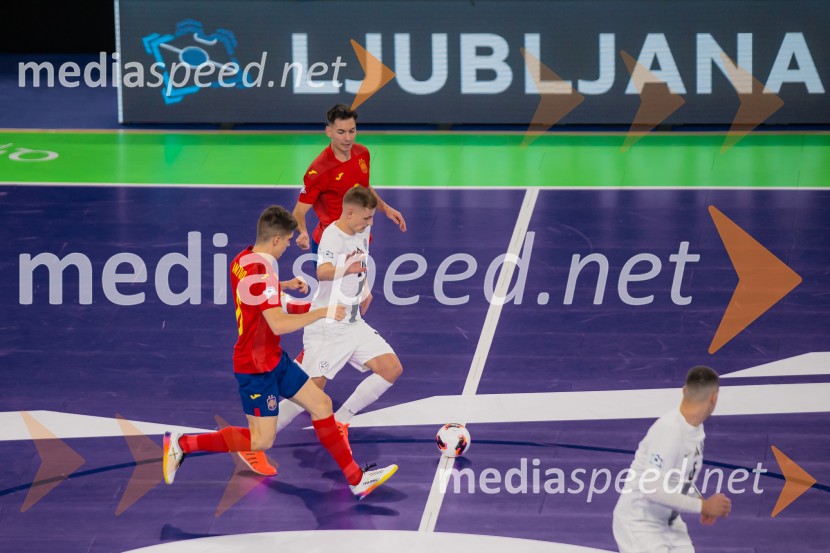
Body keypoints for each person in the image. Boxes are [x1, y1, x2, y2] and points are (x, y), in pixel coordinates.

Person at [162, 205, 397, 500]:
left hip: (274, 358)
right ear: (275, 240)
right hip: (255, 366)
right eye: (287, 241)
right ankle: (182, 444)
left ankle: (356, 479)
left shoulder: (244, 258)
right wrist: (322, 312)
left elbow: (256, 293)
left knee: (322, 404)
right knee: (261, 440)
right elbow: (278, 323)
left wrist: (283, 285)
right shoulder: (261, 268)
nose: (288, 247)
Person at [274, 186, 403, 444]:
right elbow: (322, 272)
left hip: (353, 323)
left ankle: (342, 419)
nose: (370, 223)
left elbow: (361, 264)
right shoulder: (333, 236)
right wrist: (346, 268)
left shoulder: (362, 228)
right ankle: (256, 439)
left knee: (391, 368)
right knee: (308, 393)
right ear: (349, 212)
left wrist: (364, 289)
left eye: (372, 217)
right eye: (367, 218)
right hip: (327, 327)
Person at [612, 365, 731, 552]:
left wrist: (698, 498)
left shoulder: (695, 428)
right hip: (639, 524)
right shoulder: (669, 431)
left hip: (669, 522)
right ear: (714, 398)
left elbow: (678, 478)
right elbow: (651, 488)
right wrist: (702, 506)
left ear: (684, 391)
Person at [292, 103, 406, 258]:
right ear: (329, 132)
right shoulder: (319, 170)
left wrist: (385, 208)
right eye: (341, 132)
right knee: (332, 283)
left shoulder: (362, 153)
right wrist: (303, 232)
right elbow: (298, 212)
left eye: (352, 131)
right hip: (332, 244)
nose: (348, 138)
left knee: (360, 282)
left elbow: (364, 188)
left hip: (359, 237)